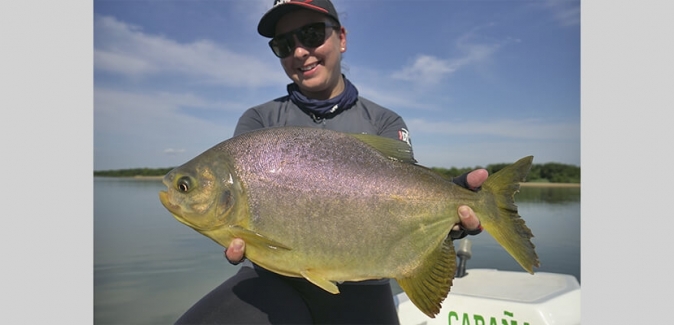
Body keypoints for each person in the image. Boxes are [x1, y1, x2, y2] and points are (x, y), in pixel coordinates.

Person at [175, 0, 487, 324]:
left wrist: (447, 208)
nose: (299, 52)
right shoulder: (258, 121)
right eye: (283, 44)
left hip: (369, 282)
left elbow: (406, 188)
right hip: (273, 283)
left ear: (341, 38)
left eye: (311, 34)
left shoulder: (384, 120)